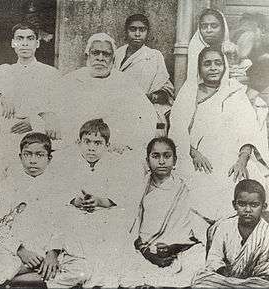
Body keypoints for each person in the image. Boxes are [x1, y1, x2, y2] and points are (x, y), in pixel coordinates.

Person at [170, 46, 269, 222]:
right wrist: (193, 153)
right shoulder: (189, 91)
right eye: (207, 64)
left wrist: (242, 159)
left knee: (244, 179)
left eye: (218, 63)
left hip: (232, 154)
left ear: (224, 66)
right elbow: (177, 129)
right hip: (197, 155)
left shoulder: (235, 92)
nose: (213, 68)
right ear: (199, 68)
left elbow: (248, 128)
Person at [52, 119, 142, 287]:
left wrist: (99, 201)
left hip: (103, 212)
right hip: (77, 213)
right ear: (79, 143)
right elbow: (60, 191)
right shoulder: (68, 163)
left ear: (107, 146)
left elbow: (120, 196)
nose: (91, 148)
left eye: (98, 143)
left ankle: (104, 280)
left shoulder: (115, 164)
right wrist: (76, 200)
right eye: (87, 142)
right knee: (72, 224)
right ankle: (83, 271)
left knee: (112, 230)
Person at [0, 132, 88, 288]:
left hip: (49, 250)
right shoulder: (9, 184)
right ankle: (35, 277)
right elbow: (0, 225)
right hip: (19, 252)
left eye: (39, 155)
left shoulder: (58, 186)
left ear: (49, 159)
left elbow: (62, 222)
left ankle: (30, 281)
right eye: (28, 154)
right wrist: (21, 251)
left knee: (82, 268)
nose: (33, 160)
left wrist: (53, 253)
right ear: (20, 156)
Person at [120, 137, 206, 288]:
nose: (161, 161)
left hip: (178, 250)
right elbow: (131, 229)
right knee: (126, 265)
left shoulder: (184, 188)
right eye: (155, 156)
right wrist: (148, 254)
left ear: (175, 160)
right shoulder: (139, 188)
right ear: (147, 161)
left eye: (167, 156)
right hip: (146, 251)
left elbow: (190, 231)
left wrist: (173, 247)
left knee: (197, 257)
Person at [55, 32, 157, 157]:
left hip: (115, 151)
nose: (100, 58)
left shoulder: (126, 83)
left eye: (106, 54)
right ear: (87, 56)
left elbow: (147, 116)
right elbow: (52, 110)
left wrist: (129, 144)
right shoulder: (70, 80)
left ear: (113, 59)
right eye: (95, 53)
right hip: (76, 150)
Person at [0, 22, 61, 165]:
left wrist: (35, 121)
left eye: (30, 39)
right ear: (13, 43)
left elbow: (56, 111)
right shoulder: (3, 72)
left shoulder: (51, 74)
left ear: (37, 43)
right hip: (7, 139)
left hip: (37, 139)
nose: (25, 43)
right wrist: (0, 96)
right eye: (20, 38)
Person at [192, 179, 269, 288]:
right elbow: (214, 258)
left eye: (254, 205)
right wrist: (227, 276)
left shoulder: (266, 232)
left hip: (253, 282)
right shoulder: (224, 226)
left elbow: (264, 268)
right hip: (224, 278)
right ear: (234, 205)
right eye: (242, 204)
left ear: (264, 207)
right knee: (200, 280)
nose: (247, 210)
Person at [115, 14, 174, 135]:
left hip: (145, 109)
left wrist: (150, 97)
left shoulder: (154, 56)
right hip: (118, 108)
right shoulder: (117, 54)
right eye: (133, 29)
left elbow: (167, 90)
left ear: (147, 32)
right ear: (126, 31)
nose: (137, 34)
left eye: (142, 30)